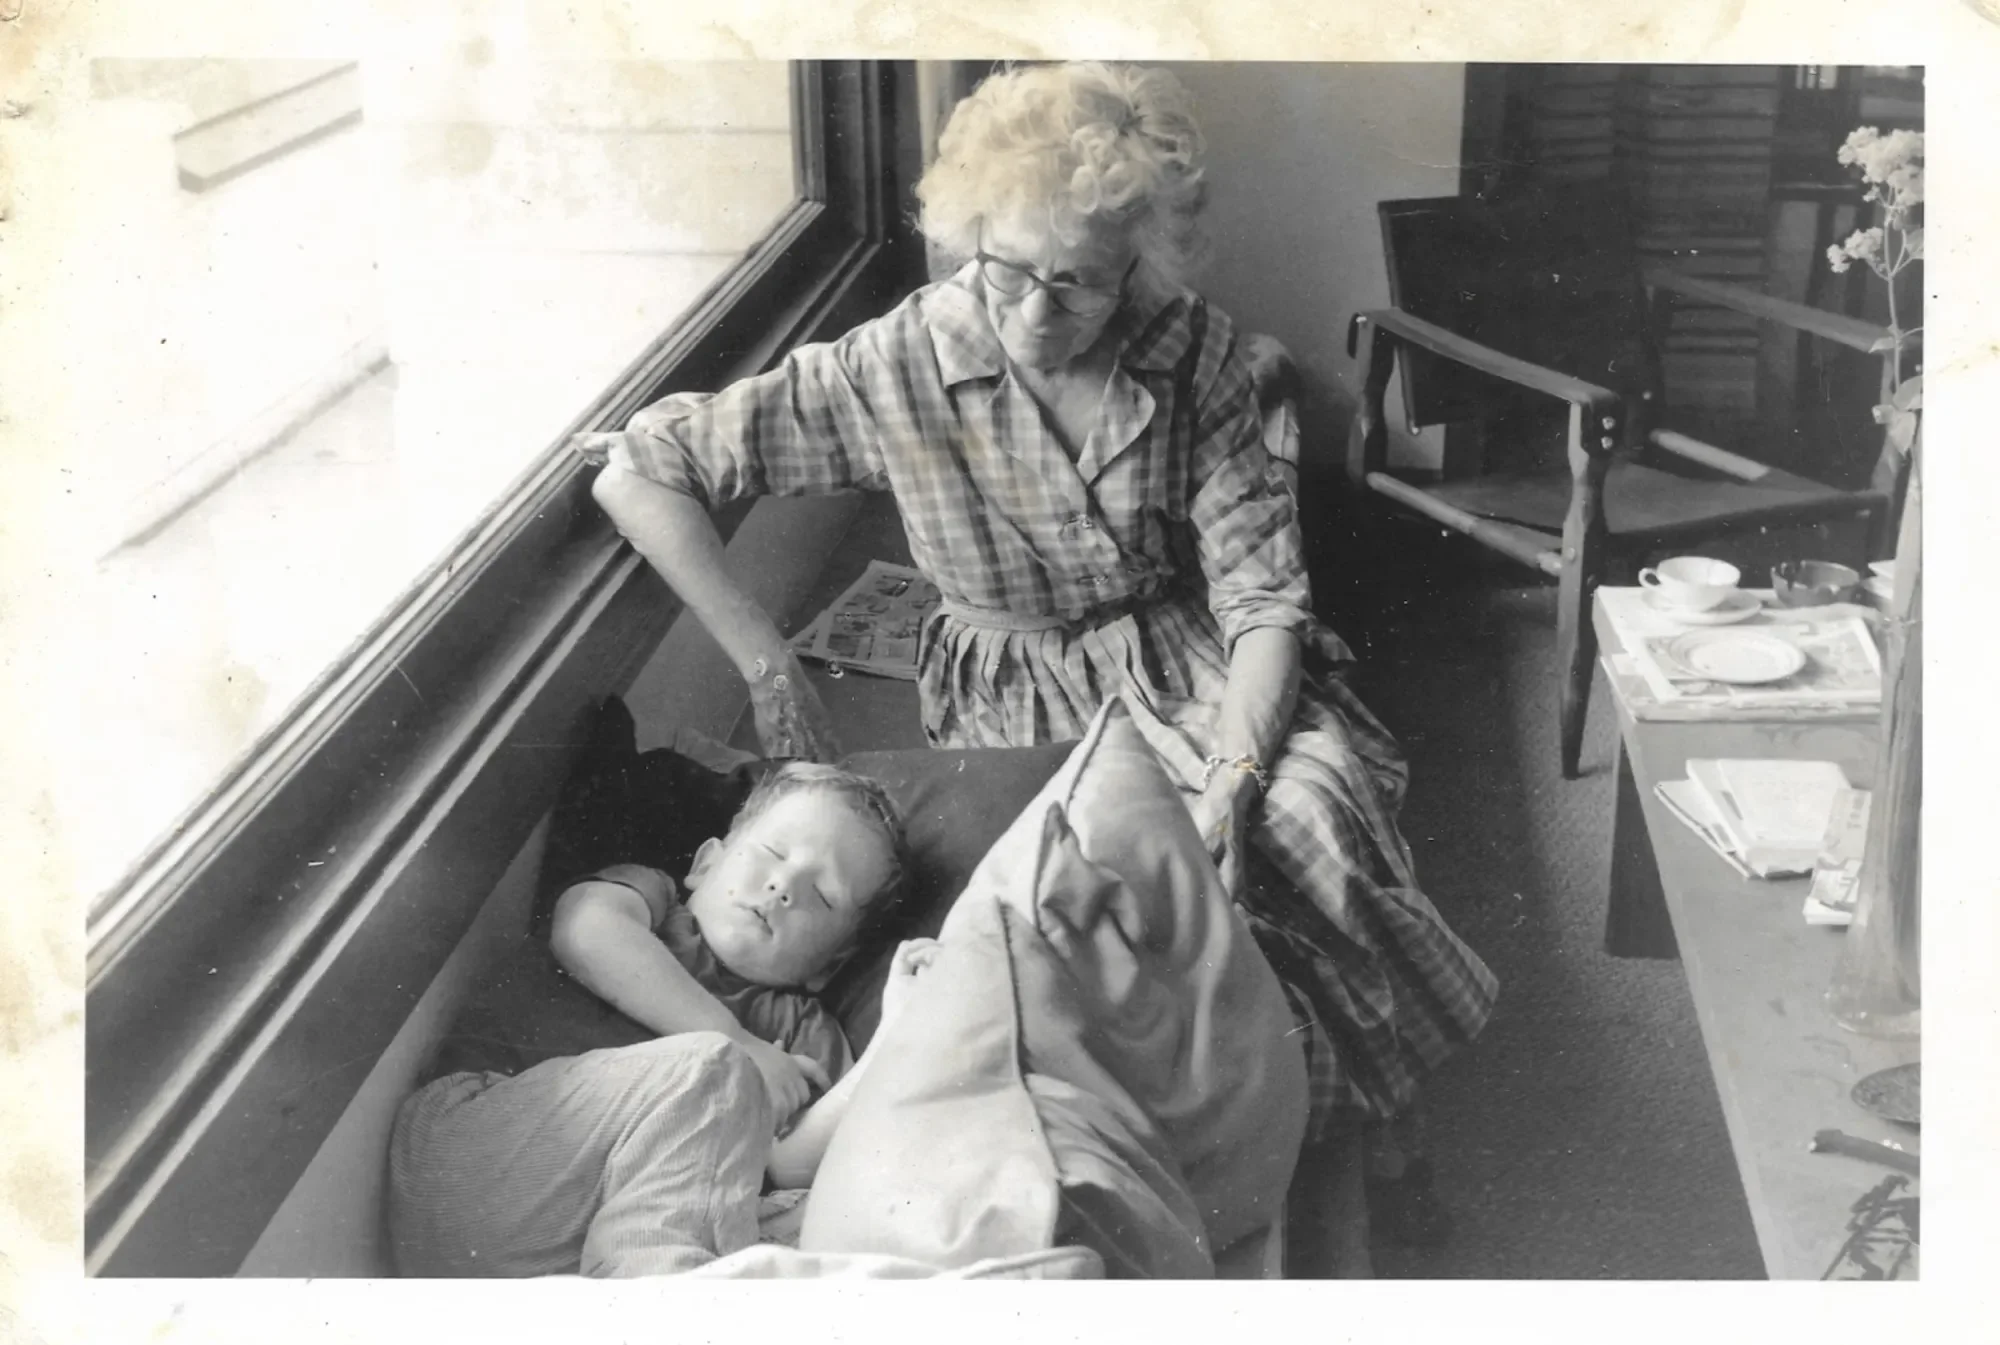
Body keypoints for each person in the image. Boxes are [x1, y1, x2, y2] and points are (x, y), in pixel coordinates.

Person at [579, 61, 1497, 1246]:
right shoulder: (896, 361)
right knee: (1100, 905)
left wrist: (1231, 773)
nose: (1031, 312)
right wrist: (768, 663)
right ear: (970, 236)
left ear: (1137, 269)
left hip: (1187, 652)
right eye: (1005, 268)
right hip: (1016, 687)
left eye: (1078, 286)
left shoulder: (1201, 355)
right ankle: (1203, 1160)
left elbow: (1262, 603)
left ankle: (1367, 1122)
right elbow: (641, 472)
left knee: (1305, 818)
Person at [386, 761, 937, 1277]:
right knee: (716, 1070)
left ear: (832, 963)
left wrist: (896, 1031)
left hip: (571, 1243)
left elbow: (789, 1164)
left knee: (823, 1218)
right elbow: (584, 932)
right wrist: (736, 1041)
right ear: (704, 865)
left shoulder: (802, 1030)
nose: (783, 886)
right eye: (772, 852)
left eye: (821, 893)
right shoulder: (653, 904)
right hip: (465, 1160)